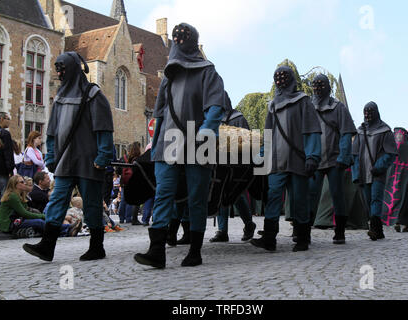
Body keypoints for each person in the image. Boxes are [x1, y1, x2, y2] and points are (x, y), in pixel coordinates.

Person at [134, 23, 226, 268]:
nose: (179, 42)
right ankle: (156, 251)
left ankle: (195, 251)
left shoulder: (208, 72)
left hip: (198, 141)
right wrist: (154, 144)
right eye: (177, 39)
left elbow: (215, 107)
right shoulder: (169, 74)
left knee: (196, 197)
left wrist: (206, 132)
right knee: (163, 193)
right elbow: (160, 112)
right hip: (169, 139)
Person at [22, 51, 114, 262]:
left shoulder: (93, 95)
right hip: (65, 161)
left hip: (89, 160)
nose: (60, 73)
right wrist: (51, 156)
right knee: (57, 201)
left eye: (63, 69)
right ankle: (47, 245)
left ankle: (96, 246)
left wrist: (103, 156)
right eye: (58, 70)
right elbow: (52, 132)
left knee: (91, 204)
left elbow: (104, 129)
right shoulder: (60, 98)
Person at [250, 65, 322, 252]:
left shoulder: (303, 101)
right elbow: (268, 133)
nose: (281, 81)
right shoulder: (272, 104)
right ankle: (269, 238)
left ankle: (303, 238)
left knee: (300, 199)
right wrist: (262, 155)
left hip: (298, 158)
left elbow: (311, 129)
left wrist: (312, 156)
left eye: (284, 77)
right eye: (277, 77)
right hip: (277, 160)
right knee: (273, 196)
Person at [306, 74, 357, 245]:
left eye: (322, 85)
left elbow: (346, 133)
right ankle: (305, 230)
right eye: (315, 85)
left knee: (337, 195)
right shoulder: (308, 107)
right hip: (314, 159)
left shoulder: (338, 107)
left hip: (334, 159)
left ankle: (340, 231)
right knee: (311, 195)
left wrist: (344, 156)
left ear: (328, 86)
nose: (318, 88)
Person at [209, 92, 256, 243]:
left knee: (237, 195)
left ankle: (249, 224)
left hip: (237, 165)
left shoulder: (238, 118)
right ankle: (222, 231)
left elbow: (248, 141)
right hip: (219, 163)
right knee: (219, 194)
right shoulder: (213, 119)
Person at [352, 102, 396, 241]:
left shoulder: (384, 130)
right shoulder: (360, 131)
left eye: (370, 112)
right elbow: (355, 154)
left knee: (376, 199)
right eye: (365, 112)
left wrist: (379, 166)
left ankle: (375, 229)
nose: (367, 115)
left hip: (377, 172)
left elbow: (390, 153)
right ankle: (378, 229)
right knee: (368, 200)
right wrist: (356, 173)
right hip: (364, 172)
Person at [0, 175, 80, 237]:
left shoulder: (20, 194)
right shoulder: (12, 196)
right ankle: (68, 228)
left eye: (24, 182)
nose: (24, 183)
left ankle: (66, 231)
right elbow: (24, 213)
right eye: (21, 182)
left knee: (39, 223)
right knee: (38, 222)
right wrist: (43, 216)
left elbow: (26, 210)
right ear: (15, 184)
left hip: (16, 220)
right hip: (9, 223)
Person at [0, 112, 14, 216]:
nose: (9, 121)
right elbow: (8, 153)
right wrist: (10, 169)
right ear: (1, 119)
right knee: (5, 193)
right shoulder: (5, 133)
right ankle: (3, 215)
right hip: (1, 169)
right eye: (8, 118)